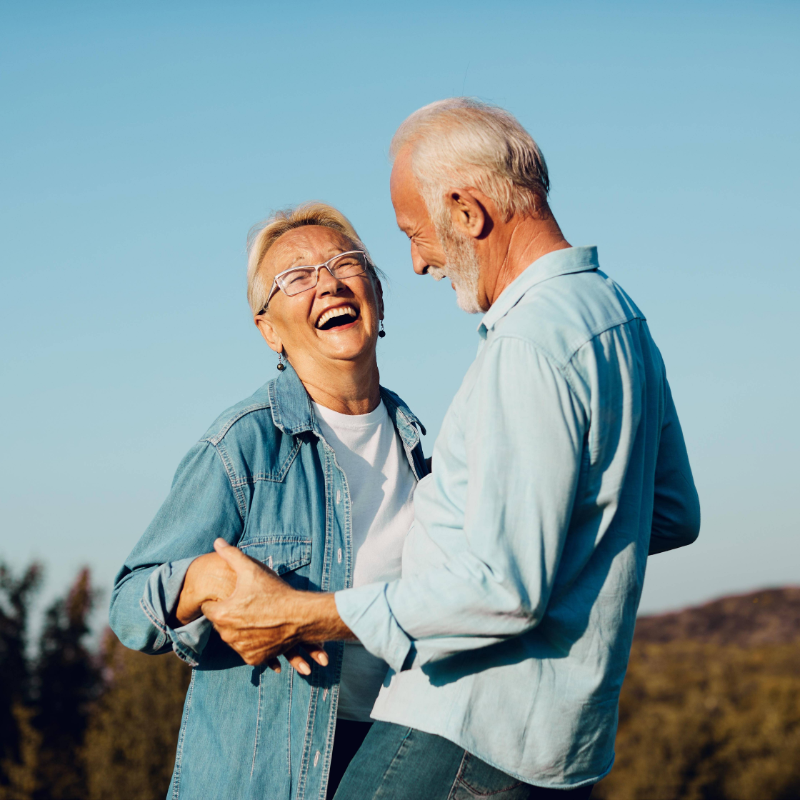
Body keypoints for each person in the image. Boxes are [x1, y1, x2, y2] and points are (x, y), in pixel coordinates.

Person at [202, 98, 702, 800]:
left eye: (417, 233)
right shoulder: (618, 315)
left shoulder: (527, 346)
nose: (416, 263)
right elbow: (673, 512)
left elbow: (502, 590)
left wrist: (302, 613)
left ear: (468, 212)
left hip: (462, 731)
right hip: (563, 748)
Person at [108, 202, 428, 799]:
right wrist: (206, 578)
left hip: (393, 757)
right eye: (296, 277)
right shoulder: (245, 443)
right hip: (269, 777)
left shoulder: (422, 447)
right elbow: (129, 605)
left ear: (378, 297)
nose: (328, 282)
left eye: (346, 263)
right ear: (269, 329)